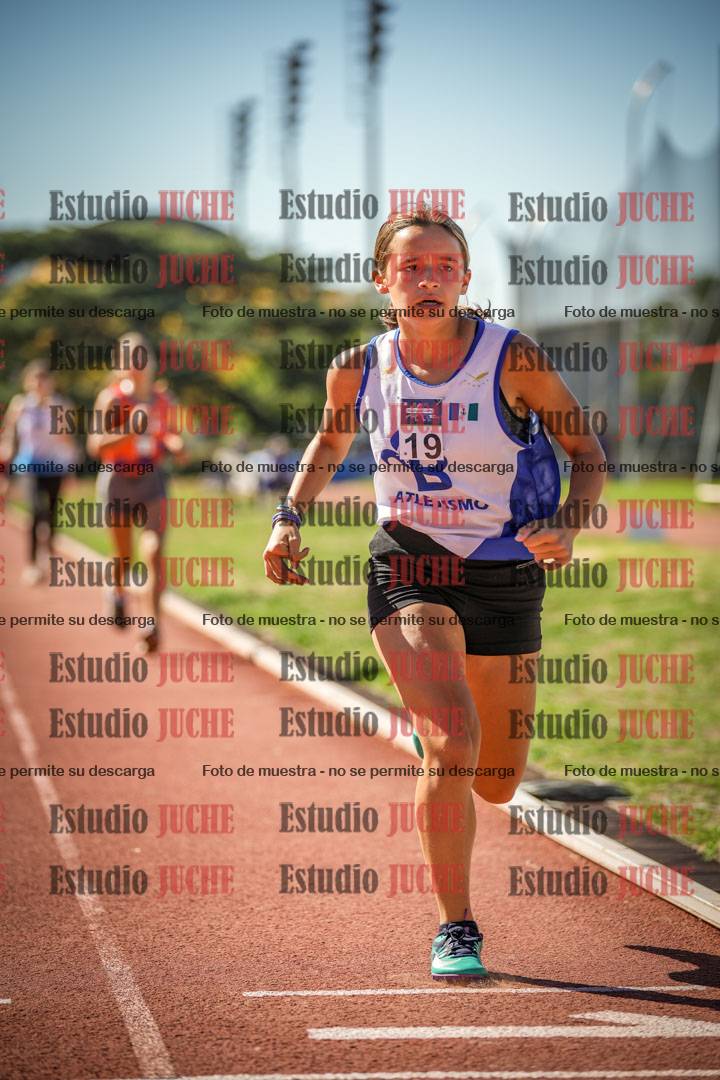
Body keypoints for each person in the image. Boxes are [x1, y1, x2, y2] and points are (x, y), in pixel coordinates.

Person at [262, 206, 606, 979]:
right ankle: (457, 927)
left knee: (498, 780)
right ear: (381, 280)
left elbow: (586, 451)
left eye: (444, 267)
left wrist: (568, 524)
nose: (428, 279)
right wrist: (288, 517)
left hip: (507, 572)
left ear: (465, 279)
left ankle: (447, 736)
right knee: (453, 743)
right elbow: (331, 438)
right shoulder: (358, 365)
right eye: (412, 266)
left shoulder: (511, 357)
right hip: (410, 563)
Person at [86, 332, 185, 653]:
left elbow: (168, 434)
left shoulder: (163, 400)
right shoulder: (111, 399)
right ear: (121, 364)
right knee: (123, 557)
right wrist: (129, 430)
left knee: (154, 551)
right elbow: (96, 446)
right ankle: (116, 590)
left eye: (142, 357)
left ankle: (151, 623)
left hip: (151, 478)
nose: (137, 365)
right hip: (118, 479)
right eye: (131, 359)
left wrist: (175, 445)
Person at [0, 360, 78, 584]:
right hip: (29, 465)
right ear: (28, 383)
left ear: (50, 383)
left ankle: (49, 554)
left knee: (52, 512)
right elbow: (11, 436)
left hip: (55, 466)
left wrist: (71, 469)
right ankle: (32, 564)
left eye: (43, 381)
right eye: (35, 381)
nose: (39, 386)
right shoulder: (20, 405)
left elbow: (68, 440)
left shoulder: (61, 405)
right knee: (36, 511)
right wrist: (6, 467)